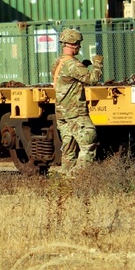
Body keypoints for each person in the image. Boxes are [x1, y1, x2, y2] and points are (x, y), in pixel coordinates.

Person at [51, 28, 103, 174]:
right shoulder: (73, 64)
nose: (79, 46)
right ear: (73, 44)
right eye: (78, 43)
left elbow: (68, 80)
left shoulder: (59, 62)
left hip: (62, 112)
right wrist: (97, 64)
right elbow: (92, 80)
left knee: (69, 147)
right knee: (88, 140)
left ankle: (66, 179)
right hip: (75, 111)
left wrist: (84, 67)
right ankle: (77, 177)